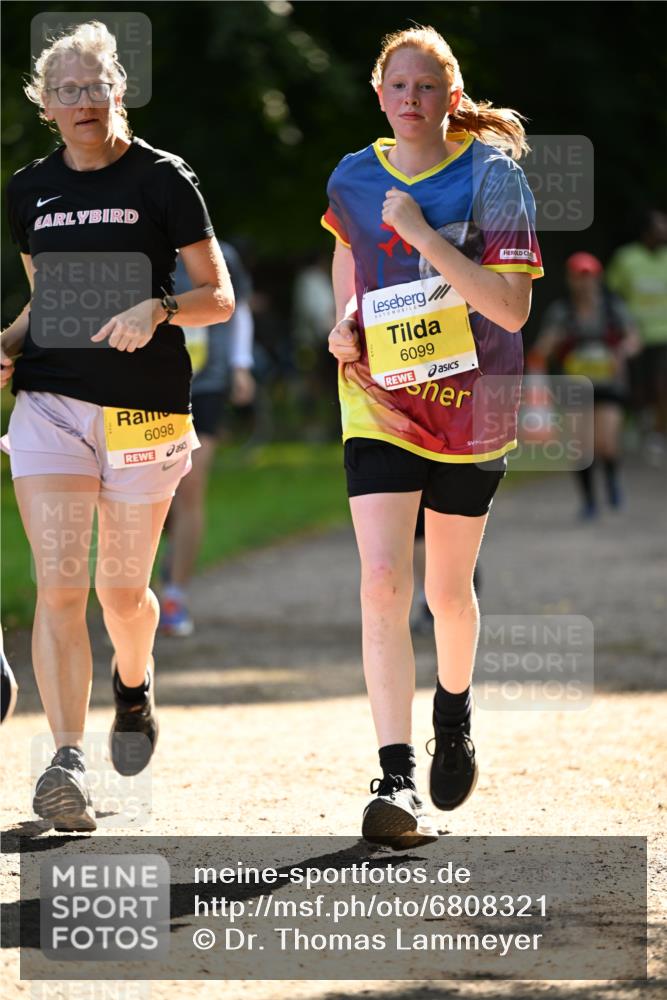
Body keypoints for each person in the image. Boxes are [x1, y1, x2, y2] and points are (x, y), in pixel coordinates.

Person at [0, 21, 234, 831]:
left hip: (145, 409)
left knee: (121, 593)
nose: (83, 100)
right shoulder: (29, 189)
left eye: (94, 85)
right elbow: (46, 304)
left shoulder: (164, 180)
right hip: (51, 404)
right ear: (47, 106)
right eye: (66, 90)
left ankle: (133, 686)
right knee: (60, 585)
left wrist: (159, 306)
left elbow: (219, 295)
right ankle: (65, 760)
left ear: (117, 92)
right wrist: (6, 343)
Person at [322, 25, 543, 847]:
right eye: (396, 87)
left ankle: (452, 718)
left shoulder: (494, 179)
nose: (410, 100)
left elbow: (511, 309)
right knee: (381, 579)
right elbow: (350, 261)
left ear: (451, 100)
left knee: (444, 593)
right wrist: (342, 323)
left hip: (473, 405)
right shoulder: (351, 175)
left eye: (426, 88)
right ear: (379, 94)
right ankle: (393, 776)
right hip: (378, 399)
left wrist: (420, 235)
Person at [159, 241, 255, 636]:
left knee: (190, 486)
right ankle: (137, 597)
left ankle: (174, 596)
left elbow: (240, 309)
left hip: (207, 384)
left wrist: (241, 366)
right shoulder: (138, 249)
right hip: (149, 388)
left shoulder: (221, 253)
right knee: (150, 493)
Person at [529, 252, 640, 519]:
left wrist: (624, 350)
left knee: (607, 443)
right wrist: (550, 344)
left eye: (589, 276)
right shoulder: (561, 311)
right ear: (570, 279)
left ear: (598, 278)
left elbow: (634, 337)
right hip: (575, 387)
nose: (584, 282)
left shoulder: (613, 308)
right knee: (581, 447)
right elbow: (541, 350)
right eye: (579, 277)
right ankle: (589, 501)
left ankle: (612, 480)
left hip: (609, 384)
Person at [606, 210, 667, 462]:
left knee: (662, 386)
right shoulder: (627, 258)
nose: (663, 232)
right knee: (638, 387)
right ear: (646, 232)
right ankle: (640, 422)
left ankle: (657, 435)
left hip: (663, 335)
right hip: (635, 336)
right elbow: (612, 291)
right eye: (658, 228)